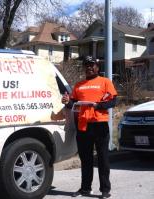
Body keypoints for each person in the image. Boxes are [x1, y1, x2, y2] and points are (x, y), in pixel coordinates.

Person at [61, 56, 117, 199]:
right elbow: (72, 103)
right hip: (83, 126)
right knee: (86, 160)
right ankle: (85, 189)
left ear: (98, 67)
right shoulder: (79, 85)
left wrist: (98, 106)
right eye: (86, 65)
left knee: (103, 158)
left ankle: (105, 189)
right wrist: (67, 101)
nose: (89, 67)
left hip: (100, 125)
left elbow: (113, 101)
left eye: (92, 65)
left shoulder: (105, 82)